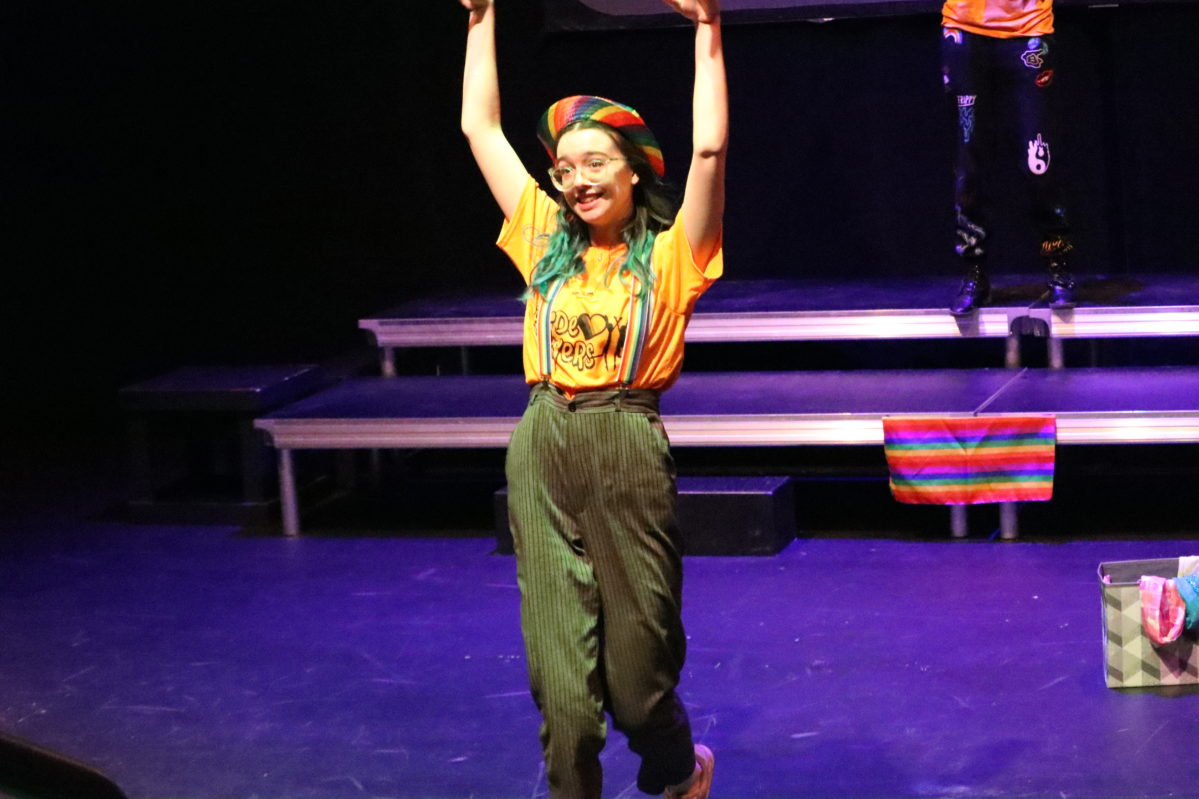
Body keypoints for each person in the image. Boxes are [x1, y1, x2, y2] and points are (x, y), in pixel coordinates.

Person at [456, 0, 725, 797]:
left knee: (638, 686)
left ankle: (677, 767)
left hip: (625, 442)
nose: (577, 180)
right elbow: (479, 127)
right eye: (565, 168)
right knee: (566, 702)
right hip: (542, 441)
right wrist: (481, 16)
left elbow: (709, 147)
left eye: (595, 162)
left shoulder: (674, 255)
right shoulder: (543, 237)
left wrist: (708, 28)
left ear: (633, 168)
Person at [942, 0, 1077, 315]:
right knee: (969, 164)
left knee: (1039, 163)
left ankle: (1058, 263)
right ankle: (974, 272)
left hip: (1030, 29)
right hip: (964, 30)